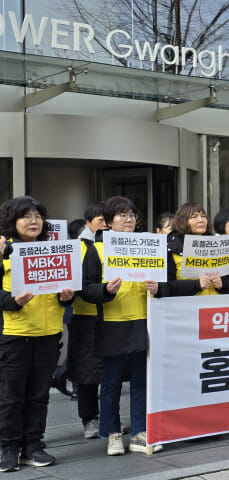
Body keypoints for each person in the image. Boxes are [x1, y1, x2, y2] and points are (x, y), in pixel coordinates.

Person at [80, 196, 162, 456]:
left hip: (143, 321)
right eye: (122, 215)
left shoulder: (148, 246)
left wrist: (158, 287)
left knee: (141, 380)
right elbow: (85, 289)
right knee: (111, 381)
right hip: (112, 323)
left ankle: (140, 431)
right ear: (108, 221)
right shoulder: (98, 250)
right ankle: (112, 433)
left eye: (132, 215)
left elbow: (163, 279)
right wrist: (105, 290)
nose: (128, 219)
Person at [0, 196, 74, 471]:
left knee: (39, 395)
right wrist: (12, 302)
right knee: (11, 396)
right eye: (26, 216)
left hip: (48, 333)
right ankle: (9, 448)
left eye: (38, 216)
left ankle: (33, 445)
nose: (34, 221)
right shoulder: (2, 250)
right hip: (14, 333)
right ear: (13, 221)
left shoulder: (53, 249)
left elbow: (65, 292)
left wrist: (68, 297)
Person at [67, 207, 107, 440]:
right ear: (88, 222)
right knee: (87, 373)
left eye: (108, 220)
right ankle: (90, 419)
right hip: (86, 316)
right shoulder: (77, 248)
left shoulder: (119, 246)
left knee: (113, 372)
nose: (105, 224)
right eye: (101, 220)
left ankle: (109, 419)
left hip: (114, 316)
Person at [161, 202, 222, 297]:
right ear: (182, 221)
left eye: (203, 216)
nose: (201, 220)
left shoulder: (217, 244)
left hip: (216, 304)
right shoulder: (171, 247)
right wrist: (196, 285)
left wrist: (222, 284)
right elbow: (165, 288)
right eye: (194, 217)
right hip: (188, 305)